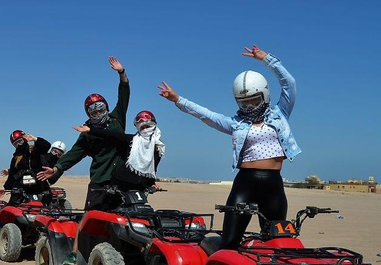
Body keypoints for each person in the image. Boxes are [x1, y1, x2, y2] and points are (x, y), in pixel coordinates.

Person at [158, 44, 300, 249]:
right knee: (230, 241)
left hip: (274, 185)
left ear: (265, 94)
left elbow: (289, 83)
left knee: (276, 243)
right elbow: (206, 115)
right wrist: (178, 100)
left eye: (254, 100)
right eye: (244, 103)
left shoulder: (281, 113)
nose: (249, 106)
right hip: (245, 183)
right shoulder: (236, 124)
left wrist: (266, 59)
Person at [37, 56, 130, 211]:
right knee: (91, 219)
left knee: (126, 218)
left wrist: (121, 73)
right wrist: (56, 169)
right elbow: (74, 153)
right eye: (94, 112)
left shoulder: (117, 119)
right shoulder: (87, 133)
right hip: (100, 179)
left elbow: (124, 96)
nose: (99, 113)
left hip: (122, 178)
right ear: (88, 114)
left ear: (106, 107)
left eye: (101, 109)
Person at [72, 110, 165, 190]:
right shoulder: (133, 140)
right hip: (121, 184)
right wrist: (90, 130)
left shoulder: (159, 147)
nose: (145, 130)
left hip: (140, 187)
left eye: (147, 127)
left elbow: (152, 167)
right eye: (142, 127)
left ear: (153, 126)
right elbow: (111, 134)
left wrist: (151, 182)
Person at [0, 131, 52, 205]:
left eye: (20, 141)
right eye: (16, 144)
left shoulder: (34, 151)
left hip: (39, 186)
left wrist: (35, 139)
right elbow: (12, 175)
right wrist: (5, 188)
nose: (19, 144)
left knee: (48, 206)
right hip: (21, 189)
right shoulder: (16, 158)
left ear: (24, 139)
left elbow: (47, 146)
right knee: (12, 207)